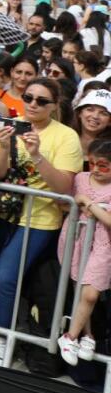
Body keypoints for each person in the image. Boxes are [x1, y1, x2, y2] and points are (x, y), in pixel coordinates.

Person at [0, 78, 81, 367]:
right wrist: (3, 146)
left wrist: (37, 156)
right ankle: (1, 330)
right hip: (3, 212)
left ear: (54, 105)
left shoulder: (66, 136)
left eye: (41, 101)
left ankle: (3, 339)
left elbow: (63, 186)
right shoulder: (5, 125)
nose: (33, 104)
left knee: (5, 277)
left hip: (39, 218)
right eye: (28, 97)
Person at [55, 139, 111, 365]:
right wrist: (76, 203)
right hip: (76, 238)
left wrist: (87, 203)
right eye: (92, 163)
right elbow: (63, 203)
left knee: (90, 294)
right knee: (78, 288)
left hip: (104, 244)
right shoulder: (79, 179)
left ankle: (69, 337)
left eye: (103, 165)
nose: (95, 169)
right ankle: (87, 335)